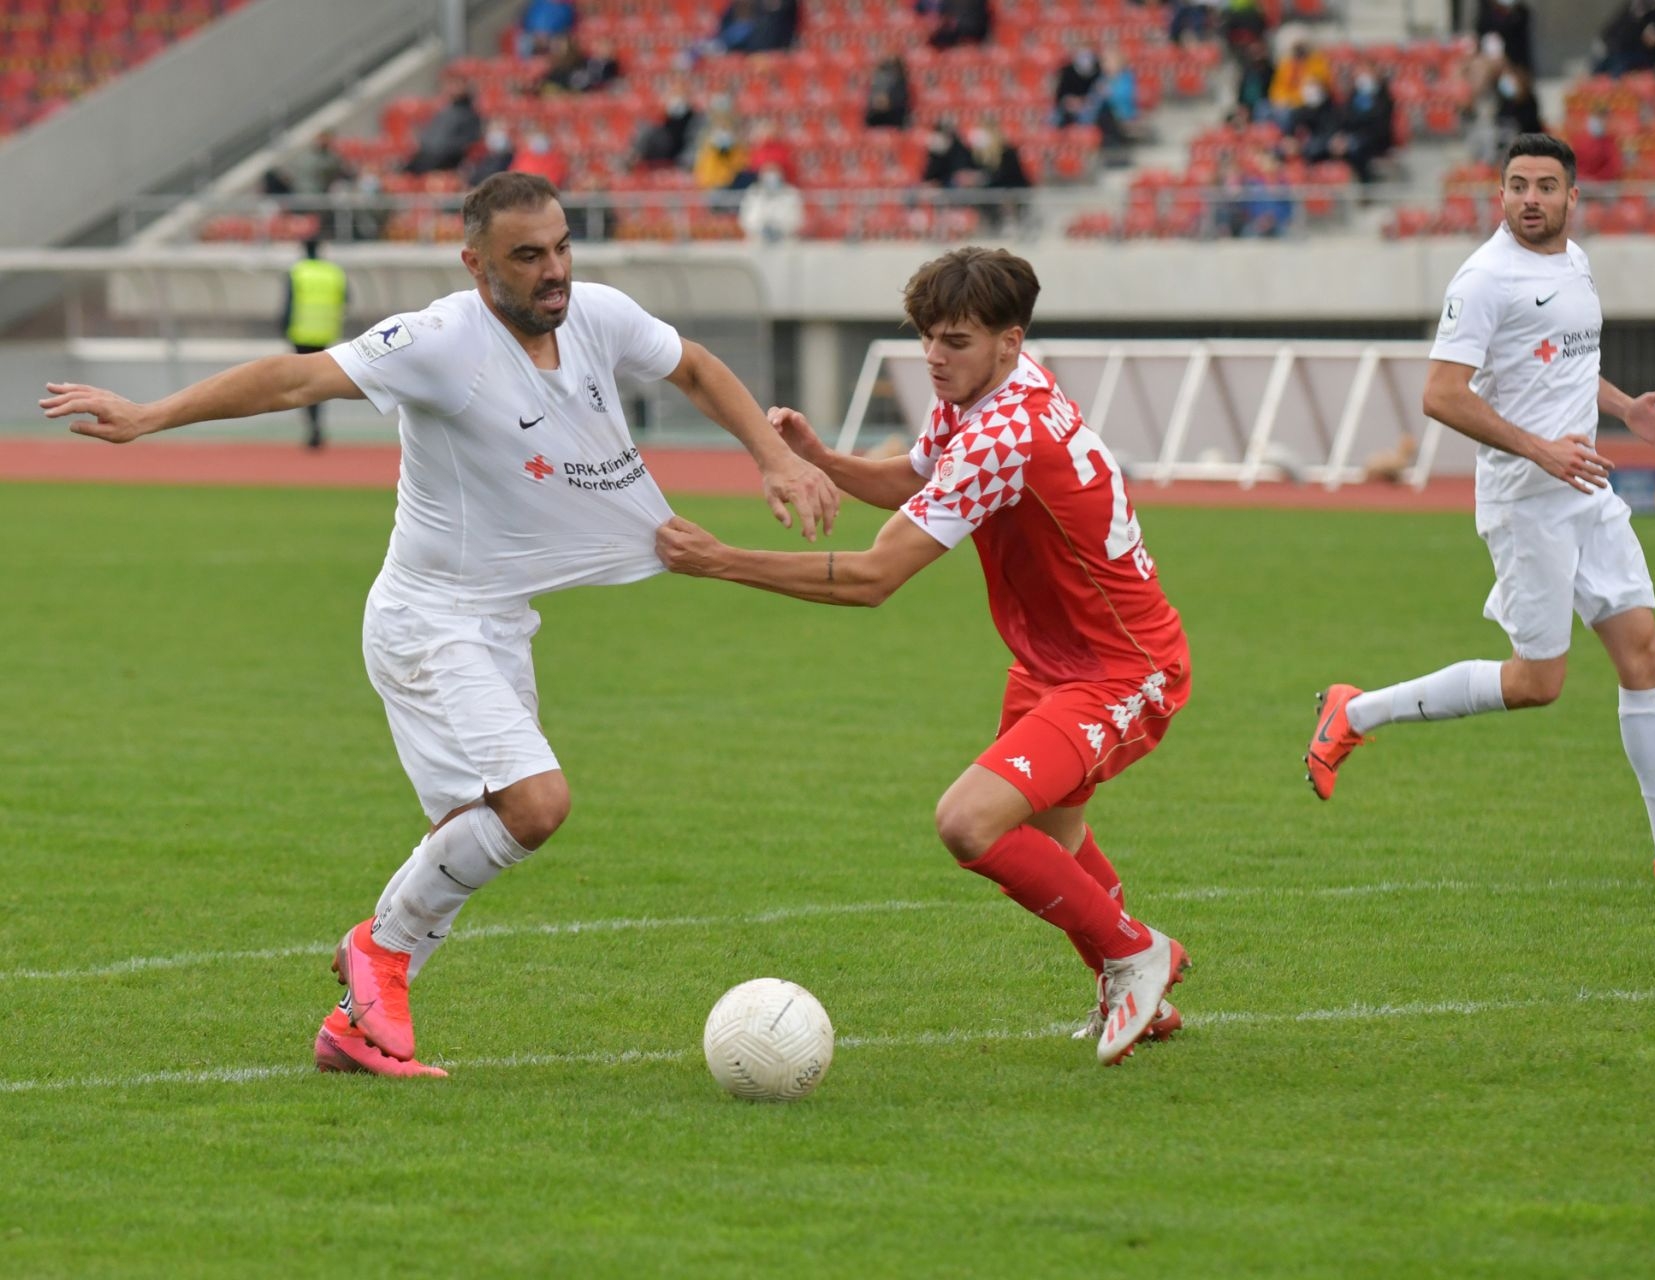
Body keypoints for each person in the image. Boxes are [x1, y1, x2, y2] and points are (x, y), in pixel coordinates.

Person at [40, 173, 837, 1077]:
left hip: (499, 622)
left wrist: (773, 458)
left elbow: (692, 365)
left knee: (475, 826)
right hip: (426, 620)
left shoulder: (598, 315)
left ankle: (353, 1029)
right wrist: (152, 415)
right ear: (475, 264)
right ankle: (377, 949)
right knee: (535, 804)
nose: (554, 271)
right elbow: (296, 375)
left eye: (561, 247)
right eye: (526, 256)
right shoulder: (441, 340)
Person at [653, 247, 1193, 1066]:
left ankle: (1136, 952)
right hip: (1053, 661)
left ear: (1010, 342)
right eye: (927, 338)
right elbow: (918, 478)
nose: (935, 358)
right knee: (1054, 832)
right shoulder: (990, 394)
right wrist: (823, 460)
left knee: (968, 822)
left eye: (956, 342)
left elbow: (873, 578)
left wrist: (722, 560)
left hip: (1124, 670)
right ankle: (1133, 993)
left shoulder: (1004, 434)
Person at [1304, 134, 1655, 883]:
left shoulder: (1575, 262)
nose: (1530, 198)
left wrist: (1625, 409)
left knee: (1644, 653)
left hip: (1587, 491)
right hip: (1526, 503)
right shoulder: (1485, 278)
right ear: (1500, 195)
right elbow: (1441, 395)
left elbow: (1565, 362)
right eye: (1517, 185)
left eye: (1545, 186)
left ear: (1571, 197)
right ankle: (1354, 712)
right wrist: (1539, 449)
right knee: (1537, 683)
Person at [281, 239, 348, 449]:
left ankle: (312, 426)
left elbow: (289, 303)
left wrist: (284, 327)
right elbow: (346, 299)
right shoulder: (333, 272)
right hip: (326, 332)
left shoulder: (298, 271)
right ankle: (318, 424)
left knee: (303, 382)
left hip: (301, 333)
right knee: (319, 381)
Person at [403, 86, 484, 176]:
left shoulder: (470, 116)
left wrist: (444, 147)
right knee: (406, 169)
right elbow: (429, 131)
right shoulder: (445, 112)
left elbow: (468, 140)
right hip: (428, 152)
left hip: (447, 157)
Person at [1594, 0, 1655, 77]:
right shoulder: (1630, 9)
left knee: (1618, 69)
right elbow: (1610, 30)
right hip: (1617, 52)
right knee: (1600, 68)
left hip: (1640, 60)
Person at [739, 166, 804, 242]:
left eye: (774, 173)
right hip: (757, 240)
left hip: (786, 239)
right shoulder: (753, 193)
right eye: (768, 174)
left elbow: (797, 219)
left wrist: (780, 228)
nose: (771, 179)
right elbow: (746, 219)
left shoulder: (790, 193)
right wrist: (761, 228)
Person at [1569, 114, 1623, 184]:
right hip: (1582, 183)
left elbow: (1614, 166)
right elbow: (1573, 163)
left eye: (1602, 121)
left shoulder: (1609, 143)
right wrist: (1584, 178)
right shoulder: (1579, 140)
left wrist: (1598, 179)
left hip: (1602, 184)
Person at [864, 53, 912, 129]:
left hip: (895, 118)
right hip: (876, 117)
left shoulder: (900, 83)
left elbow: (901, 101)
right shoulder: (876, 79)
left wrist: (888, 102)